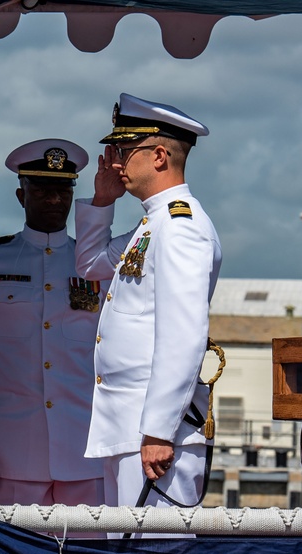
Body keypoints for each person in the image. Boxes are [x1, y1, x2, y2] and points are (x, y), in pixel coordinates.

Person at [74, 93, 223, 525]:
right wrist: (102, 202)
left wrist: (159, 431)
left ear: (158, 156)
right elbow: (90, 264)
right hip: (128, 428)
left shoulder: (180, 228)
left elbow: (183, 335)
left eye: (123, 150)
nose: (114, 161)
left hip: (153, 436)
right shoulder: (152, 224)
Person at [0, 139, 104, 507]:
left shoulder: (98, 265)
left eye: (62, 191)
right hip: (10, 452)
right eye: (42, 190)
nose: (54, 200)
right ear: (22, 196)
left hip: (86, 448)